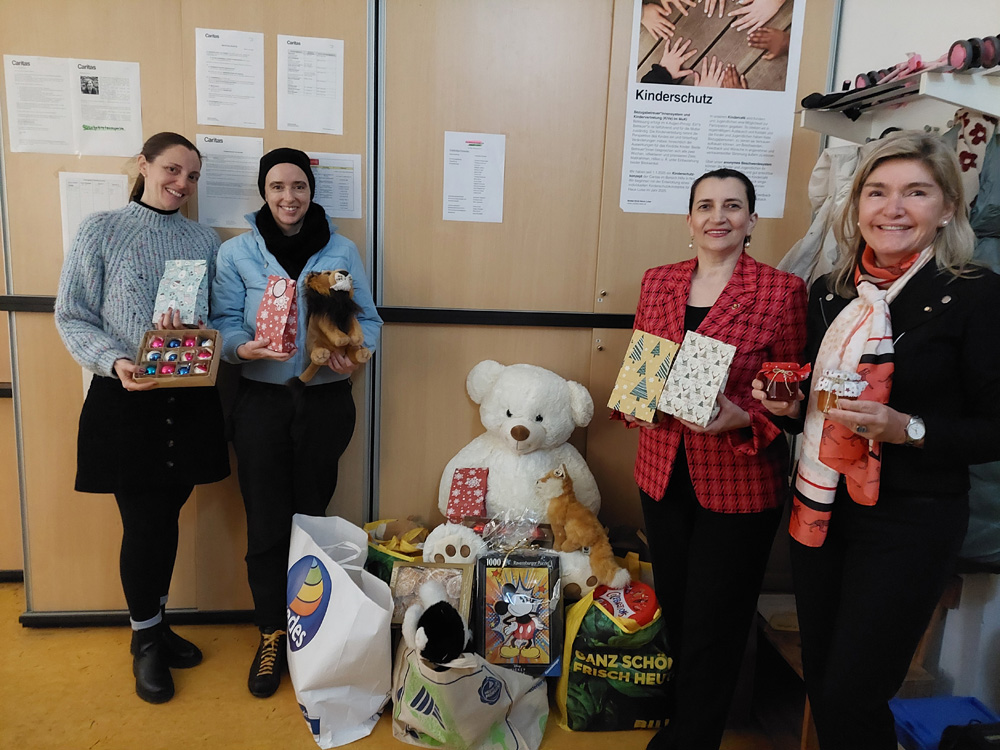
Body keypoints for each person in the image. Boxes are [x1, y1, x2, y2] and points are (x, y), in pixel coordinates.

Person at [753, 132, 1000, 749]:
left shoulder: (975, 293)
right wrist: (788, 408)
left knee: (854, 690)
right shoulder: (830, 291)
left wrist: (905, 429)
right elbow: (819, 405)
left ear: (947, 207)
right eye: (878, 192)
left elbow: (994, 427)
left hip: (911, 521)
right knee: (825, 684)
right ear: (857, 204)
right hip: (821, 511)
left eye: (915, 192)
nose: (893, 208)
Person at [619, 168, 807, 750]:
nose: (717, 217)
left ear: (752, 219)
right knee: (679, 609)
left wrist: (745, 417)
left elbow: (790, 400)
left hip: (739, 480)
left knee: (716, 621)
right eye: (705, 205)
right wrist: (637, 403)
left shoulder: (781, 290)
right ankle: (682, 722)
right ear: (689, 219)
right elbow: (642, 369)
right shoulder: (660, 282)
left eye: (732, 205)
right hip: (662, 473)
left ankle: (693, 739)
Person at [54, 132, 229, 704]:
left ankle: (156, 624)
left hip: (187, 396)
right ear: (144, 165)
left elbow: (211, 316)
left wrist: (194, 332)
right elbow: (72, 315)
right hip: (125, 397)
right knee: (144, 523)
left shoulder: (203, 239)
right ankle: (145, 641)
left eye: (192, 176)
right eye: (172, 170)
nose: (182, 183)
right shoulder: (101, 230)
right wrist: (115, 360)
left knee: (165, 518)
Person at [211, 147, 382, 699]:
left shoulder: (341, 250)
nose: (289, 197)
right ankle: (271, 632)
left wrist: (354, 353)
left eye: (299, 186)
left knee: (312, 520)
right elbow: (222, 324)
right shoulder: (237, 252)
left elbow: (369, 320)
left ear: (311, 190)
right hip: (261, 402)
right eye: (278, 186)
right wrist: (243, 348)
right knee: (265, 522)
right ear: (264, 191)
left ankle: (312, 629)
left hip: (325, 401)